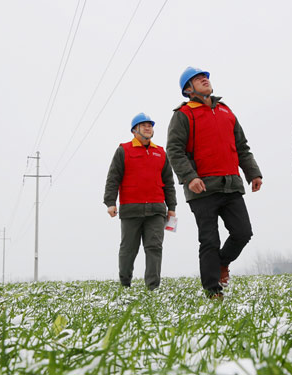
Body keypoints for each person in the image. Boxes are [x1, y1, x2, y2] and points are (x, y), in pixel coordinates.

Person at [167, 67, 262, 299]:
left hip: (231, 184)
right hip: (202, 189)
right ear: (188, 90)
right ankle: (213, 290)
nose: (204, 79)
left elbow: (242, 146)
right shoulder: (183, 114)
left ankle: (221, 263)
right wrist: (190, 178)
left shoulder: (226, 110)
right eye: (198, 79)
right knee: (209, 239)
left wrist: (253, 173)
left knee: (243, 233)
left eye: (206, 77)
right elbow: (174, 151)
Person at [104, 112, 177, 290]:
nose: (148, 128)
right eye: (143, 125)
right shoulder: (124, 150)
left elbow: (169, 182)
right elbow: (113, 178)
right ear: (134, 130)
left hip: (156, 210)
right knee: (128, 249)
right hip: (131, 209)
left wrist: (172, 207)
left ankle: (153, 287)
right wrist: (110, 202)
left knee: (154, 247)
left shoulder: (160, 152)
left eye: (150, 125)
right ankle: (125, 284)